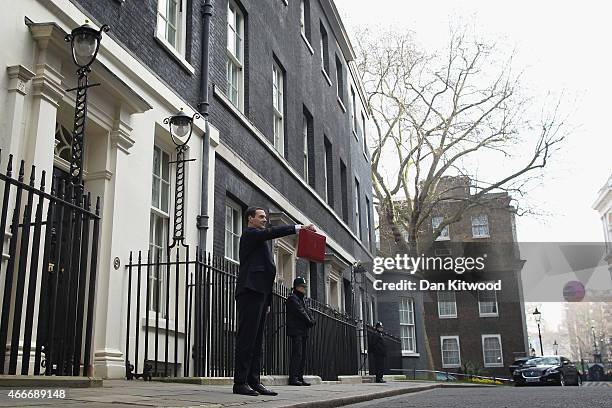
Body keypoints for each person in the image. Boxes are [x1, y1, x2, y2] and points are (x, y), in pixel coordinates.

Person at [233, 206, 316, 396]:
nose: (264, 219)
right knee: (247, 339)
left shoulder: (259, 238)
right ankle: (240, 383)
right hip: (250, 292)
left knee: (257, 341)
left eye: (265, 217)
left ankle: (254, 381)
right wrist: (298, 228)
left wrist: (268, 300)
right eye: (261, 216)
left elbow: (267, 272)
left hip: (261, 294)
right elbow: (272, 232)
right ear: (250, 219)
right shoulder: (250, 234)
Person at [286, 276, 315, 386]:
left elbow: (307, 311)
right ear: (297, 287)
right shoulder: (292, 298)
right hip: (296, 330)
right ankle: (293, 378)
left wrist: (312, 320)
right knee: (297, 354)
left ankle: (300, 377)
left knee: (302, 355)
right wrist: (309, 321)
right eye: (302, 287)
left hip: (303, 330)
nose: (304, 289)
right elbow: (300, 312)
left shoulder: (302, 299)